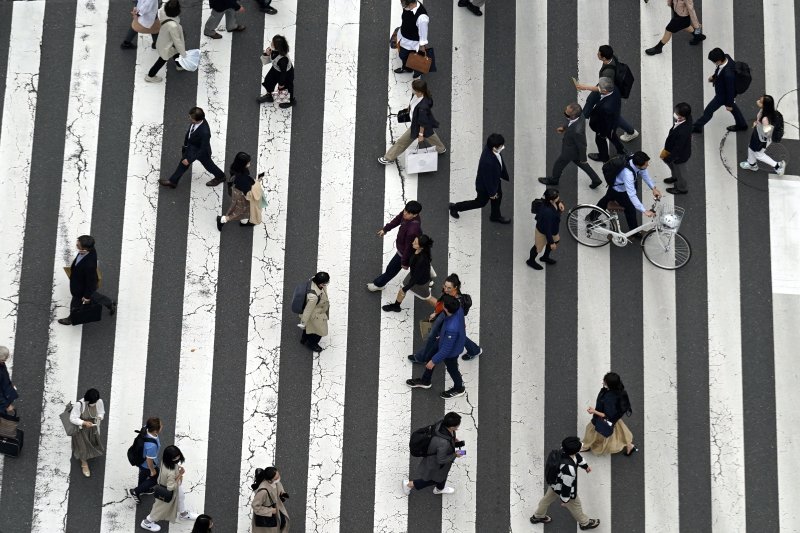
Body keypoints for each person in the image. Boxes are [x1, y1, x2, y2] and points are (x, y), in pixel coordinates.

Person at [529, 436, 600, 529]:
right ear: (574, 451)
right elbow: (567, 486)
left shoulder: (563, 450)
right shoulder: (568, 469)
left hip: (554, 483)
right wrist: (565, 500)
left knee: (546, 499)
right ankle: (585, 523)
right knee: (576, 506)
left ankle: (537, 516)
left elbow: (577, 457)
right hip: (562, 488)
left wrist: (585, 466)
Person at [411, 274, 481, 363]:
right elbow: (442, 305)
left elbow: (452, 315)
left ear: (455, 287)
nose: (445, 289)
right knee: (453, 336)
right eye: (445, 286)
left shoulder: (456, 302)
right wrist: (436, 313)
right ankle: (474, 350)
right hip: (443, 315)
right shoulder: (448, 293)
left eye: (449, 288)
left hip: (446, 318)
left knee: (433, 335)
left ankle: (423, 357)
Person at [406, 295, 466, 399]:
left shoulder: (452, 328)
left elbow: (446, 350)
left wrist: (433, 361)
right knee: (430, 355)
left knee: (452, 369)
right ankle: (425, 381)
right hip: (443, 341)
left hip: (451, 352)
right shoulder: (458, 309)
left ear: (446, 309)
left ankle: (459, 388)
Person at [575, 45, 638, 142]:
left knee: (614, 117)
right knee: (590, 100)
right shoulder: (612, 57)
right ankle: (581, 122)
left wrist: (585, 87)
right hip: (606, 83)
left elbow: (604, 90)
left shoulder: (608, 72)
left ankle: (631, 132)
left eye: (599, 53)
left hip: (609, 92)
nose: (597, 54)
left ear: (604, 57)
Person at [379, 79, 446, 164]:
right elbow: (413, 103)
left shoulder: (423, 106)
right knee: (430, 134)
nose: (411, 89)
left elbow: (422, 122)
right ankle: (440, 148)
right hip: (423, 122)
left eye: (413, 88)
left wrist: (420, 134)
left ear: (419, 91)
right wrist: (409, 109)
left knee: (402, 142)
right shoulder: (418, 95)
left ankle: (388, 158)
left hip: (418, 125)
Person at [449, 133, 511, 224]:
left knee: (498, 198)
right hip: (486, 188)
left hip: (495, 182)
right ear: (494, 147)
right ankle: (455, 207)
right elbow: (487, 180)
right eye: (501, 146)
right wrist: (492, 193)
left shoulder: (491, 150)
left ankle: (495, 216)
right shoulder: (488, 162)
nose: (503, 147)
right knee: (480, 203)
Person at [160, 107, 227, 189]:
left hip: (201, 152)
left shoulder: (205, 132)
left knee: (209, 166)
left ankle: (221, 176)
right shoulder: (197, 122)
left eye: (191, 118)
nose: (189, 119)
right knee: (183, 163)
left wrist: (189, 160)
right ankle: (173, 181)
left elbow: (202, 149)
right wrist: (186, 146)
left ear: (197, 120)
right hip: (192, 147)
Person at [538, 103, 602, 188]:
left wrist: (583, 158)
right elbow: (570, 122)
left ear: (573, 115)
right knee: (582, 164)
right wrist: (564, 128)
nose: (564, 112)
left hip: (569, 151)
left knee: (559, 164)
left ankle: (554, 180)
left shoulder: (577, 131)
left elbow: (582, 145)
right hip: (574, 151)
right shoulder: (580, 116)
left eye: (567, 112)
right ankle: (596, 179)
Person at [596, 151, 662, 233]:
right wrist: (644, 211)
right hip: (619, 190)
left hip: (616, 186)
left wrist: (653, 188)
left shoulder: (634, 157)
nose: (647, 165)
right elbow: (632, 195)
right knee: (630, 209)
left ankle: (591, 217)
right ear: (638, 165)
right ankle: (634, 232)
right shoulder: (628, 174)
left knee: (606, 199)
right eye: (646, 164)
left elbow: (644, 172)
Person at [57, 235, 117, 325]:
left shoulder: (89, 265)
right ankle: (109, 303)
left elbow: (90, 283)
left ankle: (71, 319)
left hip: (80, 287)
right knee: (94, 295)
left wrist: (86, 297)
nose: (76, 245)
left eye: (78, 245)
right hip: (82, 283)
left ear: (85, 248)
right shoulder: (89, 250)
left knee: (76, 303)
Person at [402, 412, 465, 495]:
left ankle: (439, 489)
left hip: (438, 459)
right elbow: (441, 460)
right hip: (436, 464)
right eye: (457, 426)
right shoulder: (443, 443)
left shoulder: (441, 422)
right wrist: (455, 455)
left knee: (442, 476)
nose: (458, 427)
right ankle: (409, 485)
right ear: (452, 427)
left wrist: (452, 439)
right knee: (432, 479)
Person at [140, 445, 200, 531]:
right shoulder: (171, 473)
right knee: (160, 508)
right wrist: (180, 474)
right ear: (170, 458)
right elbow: (171, 487)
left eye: (178, 456)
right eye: (175, 458)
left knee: (181, 497)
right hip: (168, 491)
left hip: (167, 486)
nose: (178, 458)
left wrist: (177, 468)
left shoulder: (165, 462)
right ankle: (147, 522)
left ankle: (183, 514)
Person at [367, 201, 422, 292]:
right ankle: (428, 277)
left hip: (404, 252)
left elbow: (408, 249)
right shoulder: (408, 213)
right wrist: (386, 229)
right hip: (410, 248)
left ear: (415, 215)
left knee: (391, 269)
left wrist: (404, 262)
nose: (404, 213)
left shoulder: (412, 230)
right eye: (405, 210)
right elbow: (398, 219)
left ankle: (378, 284)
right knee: (421, 262)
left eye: (408, 213)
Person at [581, 372, 638, 456]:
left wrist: (594, 411)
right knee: (620, 432)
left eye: (605, 381)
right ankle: (630, 446)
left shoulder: (610, 399)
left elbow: (606, 415)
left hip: (601, 419)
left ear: (610, 384)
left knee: (591, 431)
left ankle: (585, 446)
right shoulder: (619, 391)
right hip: (614, 419)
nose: (603, 382)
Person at [692, 47, 748, 133]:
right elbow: (719, 70)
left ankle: (697, 127)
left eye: (714, 62)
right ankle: (742, 125)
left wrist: (729, 103)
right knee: (734, 109)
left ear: (718, 61)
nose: (714, 63)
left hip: (722, 96)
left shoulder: (728, 75)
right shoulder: (727, 57)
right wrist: (714, 76)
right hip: (723, 93)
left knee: (708, 111)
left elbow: (730, 90)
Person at [382, 235, 433, 312]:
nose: (413, 243)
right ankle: (396, 306)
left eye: (415, 243)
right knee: (403, 289)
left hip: (419, 283)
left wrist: (406, 288)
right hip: (419, 276)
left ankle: (444, 309)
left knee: (428, 298)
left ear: (421, 247)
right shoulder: (424, 251)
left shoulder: (421, 260)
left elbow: (415, 278)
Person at [739, 94, 786, 176]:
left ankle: (778, 166)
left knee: (758, 154)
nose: (757, 101)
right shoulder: (768, 111)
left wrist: (759, 126)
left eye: (760, 102)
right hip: (758, 134)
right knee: (751, 147)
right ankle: (752, 164)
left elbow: (767, 133)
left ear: (765, 106)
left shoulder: (765, 119)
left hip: (761, 139)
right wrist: (757, 123)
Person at [145, 0, 187, 83]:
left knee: (175, 53)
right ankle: (150, 75)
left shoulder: (163, 11)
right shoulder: (173, 26)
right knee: (162, 60)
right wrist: (184, 54)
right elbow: (177, 41)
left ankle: (179, 65)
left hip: (163, 40)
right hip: (168, 45)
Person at [586, 77, 624, 163]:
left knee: (600, 141)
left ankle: (604, 157)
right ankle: (621, 150)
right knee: (613, 136)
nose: (597, 87)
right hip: (613, 122)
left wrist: (602, 134)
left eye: (599, 87)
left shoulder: (607, 107)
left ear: (605, 91)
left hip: (604, 127)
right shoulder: (615, 89)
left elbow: (606, 123)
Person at [70, 388, 105, 478]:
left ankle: (89, 453)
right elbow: (72, 418)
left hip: (92, 428)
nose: (94, 404)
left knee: (92, 443)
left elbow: (101, 412)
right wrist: (84, 423)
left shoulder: (99, 401)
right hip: (81, 430)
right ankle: (84, 463)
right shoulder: (79, 405)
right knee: (82, 447)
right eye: (92, 403)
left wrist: (100, 417)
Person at [527, 189, 565, 270]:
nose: (558, 197)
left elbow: (555, 201)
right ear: (551, 201)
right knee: (537, 247)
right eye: (557, 197)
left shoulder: (548, 200)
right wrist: (551, 243)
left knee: (556, 240)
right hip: (543, 231)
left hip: (553, 228)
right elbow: (547, 229)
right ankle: (531, 261)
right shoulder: (547, 212)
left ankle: (545, 257)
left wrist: (559, 202)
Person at [217, 152, 255, 230]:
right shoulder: (242, 178)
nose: (250, 164)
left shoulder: (235, 169)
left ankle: (243, 222)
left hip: (235, 191)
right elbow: (247, 192)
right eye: (248, 163)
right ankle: (222, 220)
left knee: (243, 209)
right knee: (241, 210)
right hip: (241, 195)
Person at [661, 102, 693, 194]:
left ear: (682, 116)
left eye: (677, 112)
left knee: (681, 173)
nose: (675, 113)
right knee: (673, 167)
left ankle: (682, 188)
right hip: (672, 151)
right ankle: (675, 177)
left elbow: (678, 148)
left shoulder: (683, 131)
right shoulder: (687, 118)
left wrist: (669, 158)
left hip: (679, 156)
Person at [129, 417, 163, 504]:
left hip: (140, 460)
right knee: (156, 478)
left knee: (144, 473)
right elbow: (149, 460)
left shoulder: (146, 428)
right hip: (146, 464)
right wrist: (152, 470)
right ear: (155, 431)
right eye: (161, 425)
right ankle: (136, 491)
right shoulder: (152, 446)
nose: (162, 426)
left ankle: (144, 488)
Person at [257, 35, 296, 108]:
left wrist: (281, 83)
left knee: (286, 88)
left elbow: (283, 73)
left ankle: (291, 101)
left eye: (272, 43)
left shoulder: (283, 60)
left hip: (286, 74)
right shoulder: (273, 51)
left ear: (277, 47)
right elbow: (268, 60)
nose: (271, 44)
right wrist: (266, 54)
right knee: (269, 81)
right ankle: (269, 96)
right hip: (275, 69)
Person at [394, 0, 430, 79]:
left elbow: (423, 34)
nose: (401, 5)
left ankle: (409, 68)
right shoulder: (408, 7)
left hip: (410, 43)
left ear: (410, 3)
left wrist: (422, 47)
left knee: (403, 55)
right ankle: (408, 67)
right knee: (404, 55)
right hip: (404, 36)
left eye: (403, 3)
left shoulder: (422, 18)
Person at [250, 466, 290, 532]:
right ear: (270, 480)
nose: (279, 478)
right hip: (268, 514)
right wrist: (270, 511)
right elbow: (255, 506)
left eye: (278, 475)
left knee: (283, 522)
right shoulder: (263, 491)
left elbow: (278, 485)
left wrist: (282, 493)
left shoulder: (274, 482)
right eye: (276, 477)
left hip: (276, 508)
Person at [299, 272, 330, 353]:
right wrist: (303, 322)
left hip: (314, 313)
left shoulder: (313, 280)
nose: (326, 284)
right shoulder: (314, 297)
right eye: (325, 283)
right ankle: (312, 344)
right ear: (320, 284)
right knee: (320, 331)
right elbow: (308, 310)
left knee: (309, 327)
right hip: (316, 315)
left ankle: (304, 339)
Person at [0, 347, 18, 415]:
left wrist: (9, 384)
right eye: (3, 360)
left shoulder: (1, 364)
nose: (4, 361)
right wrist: (7, 405)